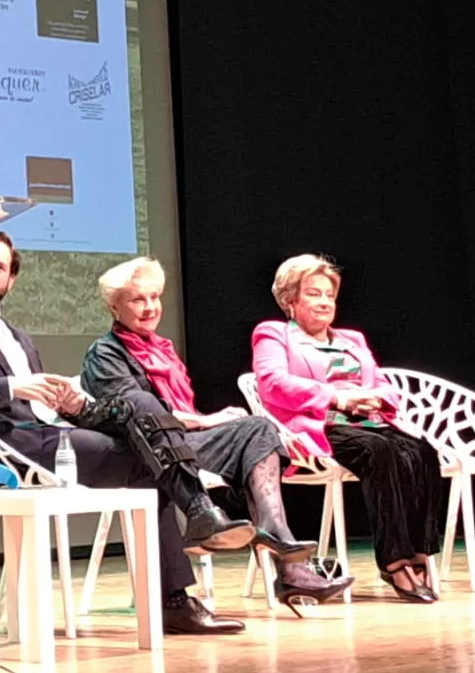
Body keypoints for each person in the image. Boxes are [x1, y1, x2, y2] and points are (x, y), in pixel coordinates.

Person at [0, 233, 254, 634]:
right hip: (11, 448)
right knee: (149, 453)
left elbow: (41, 404)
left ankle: (180, 577)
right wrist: (12, 387)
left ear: (11, 279)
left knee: (149, 448)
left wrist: (67, 403)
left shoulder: (18, 337)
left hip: (49, 433)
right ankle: (180, 573)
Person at [80, 256, 350, 603]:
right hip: (149, 453)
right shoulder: (105, 354)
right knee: (250, 431)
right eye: (137, 300)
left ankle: (277, 539)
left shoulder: (161, 350)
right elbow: (140, 417)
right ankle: (287, 559)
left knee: (257, 427)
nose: (150, 308)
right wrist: (208, 420)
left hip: (184, 442)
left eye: (154, 297)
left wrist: (214, 422)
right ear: (114, 307)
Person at [250, 255, 444, 603]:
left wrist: (375, 399)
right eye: (313, 294)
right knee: (377, 451)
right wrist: (338, 398)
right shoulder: (273, 334)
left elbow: (383, 383)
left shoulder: (352, 339)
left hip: (368, 421)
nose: (325, 302)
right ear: (290, 300)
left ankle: (420, 554)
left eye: (330, 295)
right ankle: (394, 561)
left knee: (423, 453)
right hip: (317, 428)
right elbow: (273, 383)